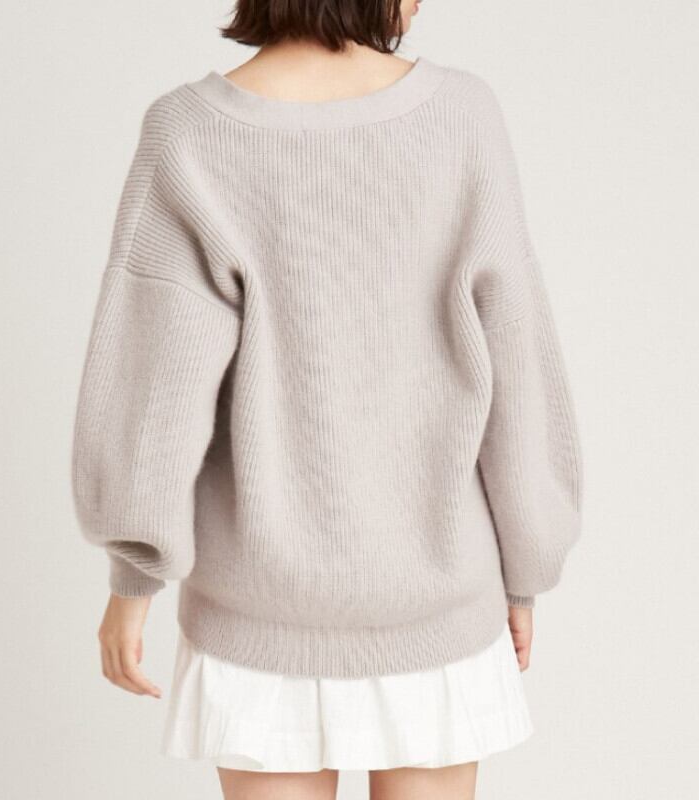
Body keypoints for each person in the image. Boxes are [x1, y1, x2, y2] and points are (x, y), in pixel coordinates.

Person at [69, 0, 584, 797]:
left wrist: (133, 579)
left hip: (255, 619)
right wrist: (526, 567)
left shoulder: (189, 132)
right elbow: (517, 356)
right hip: (440, 606)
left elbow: (154, 381)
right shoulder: (463, 115)